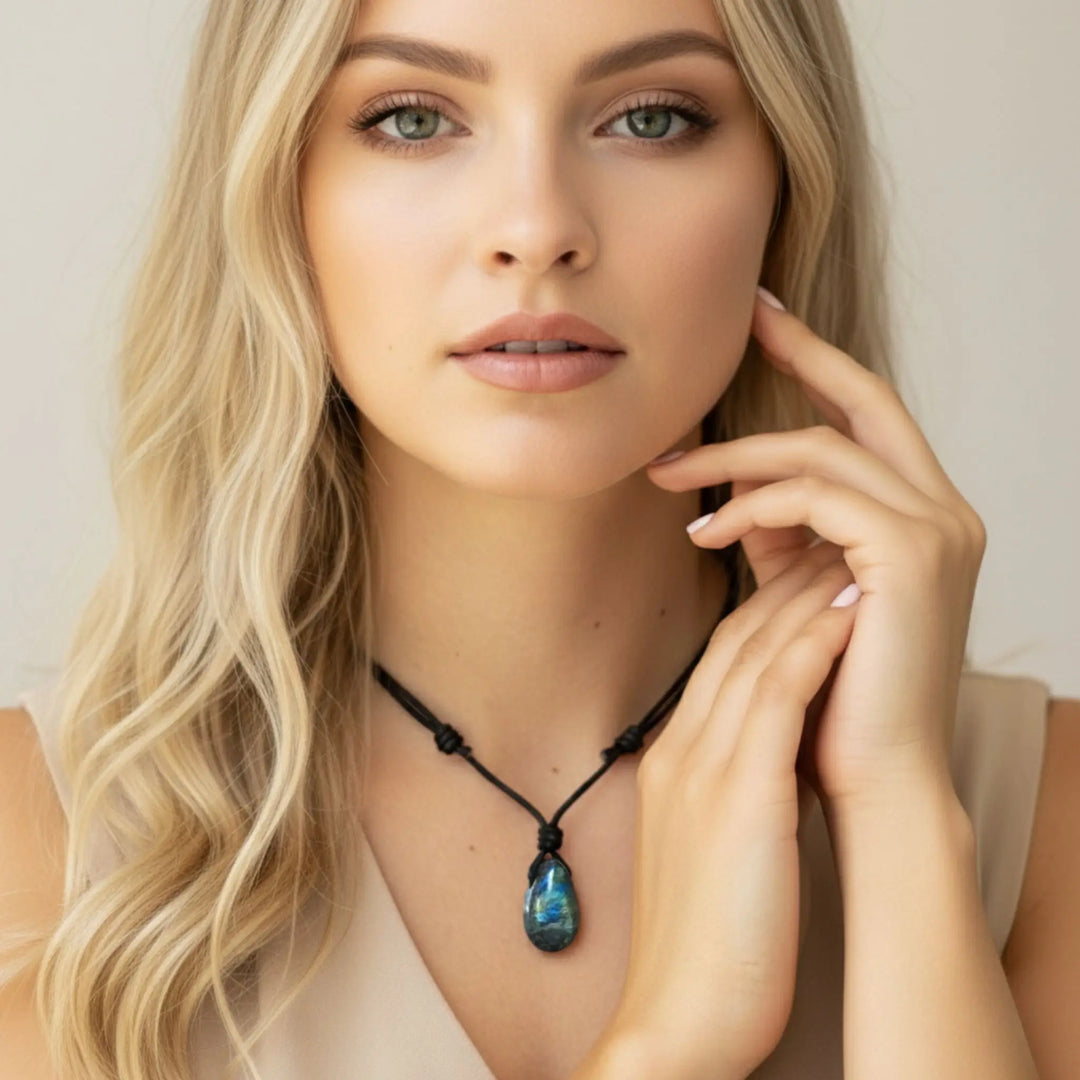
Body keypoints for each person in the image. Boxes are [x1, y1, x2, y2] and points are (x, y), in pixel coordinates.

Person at [1, 1, 1075, 1078]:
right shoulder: (40, 847)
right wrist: (672, 1049)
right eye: (414, 119)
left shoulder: (1042, 820)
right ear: (277, 194)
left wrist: (897, 814)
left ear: (789, 189)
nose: (537, 224)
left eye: (652, 119)